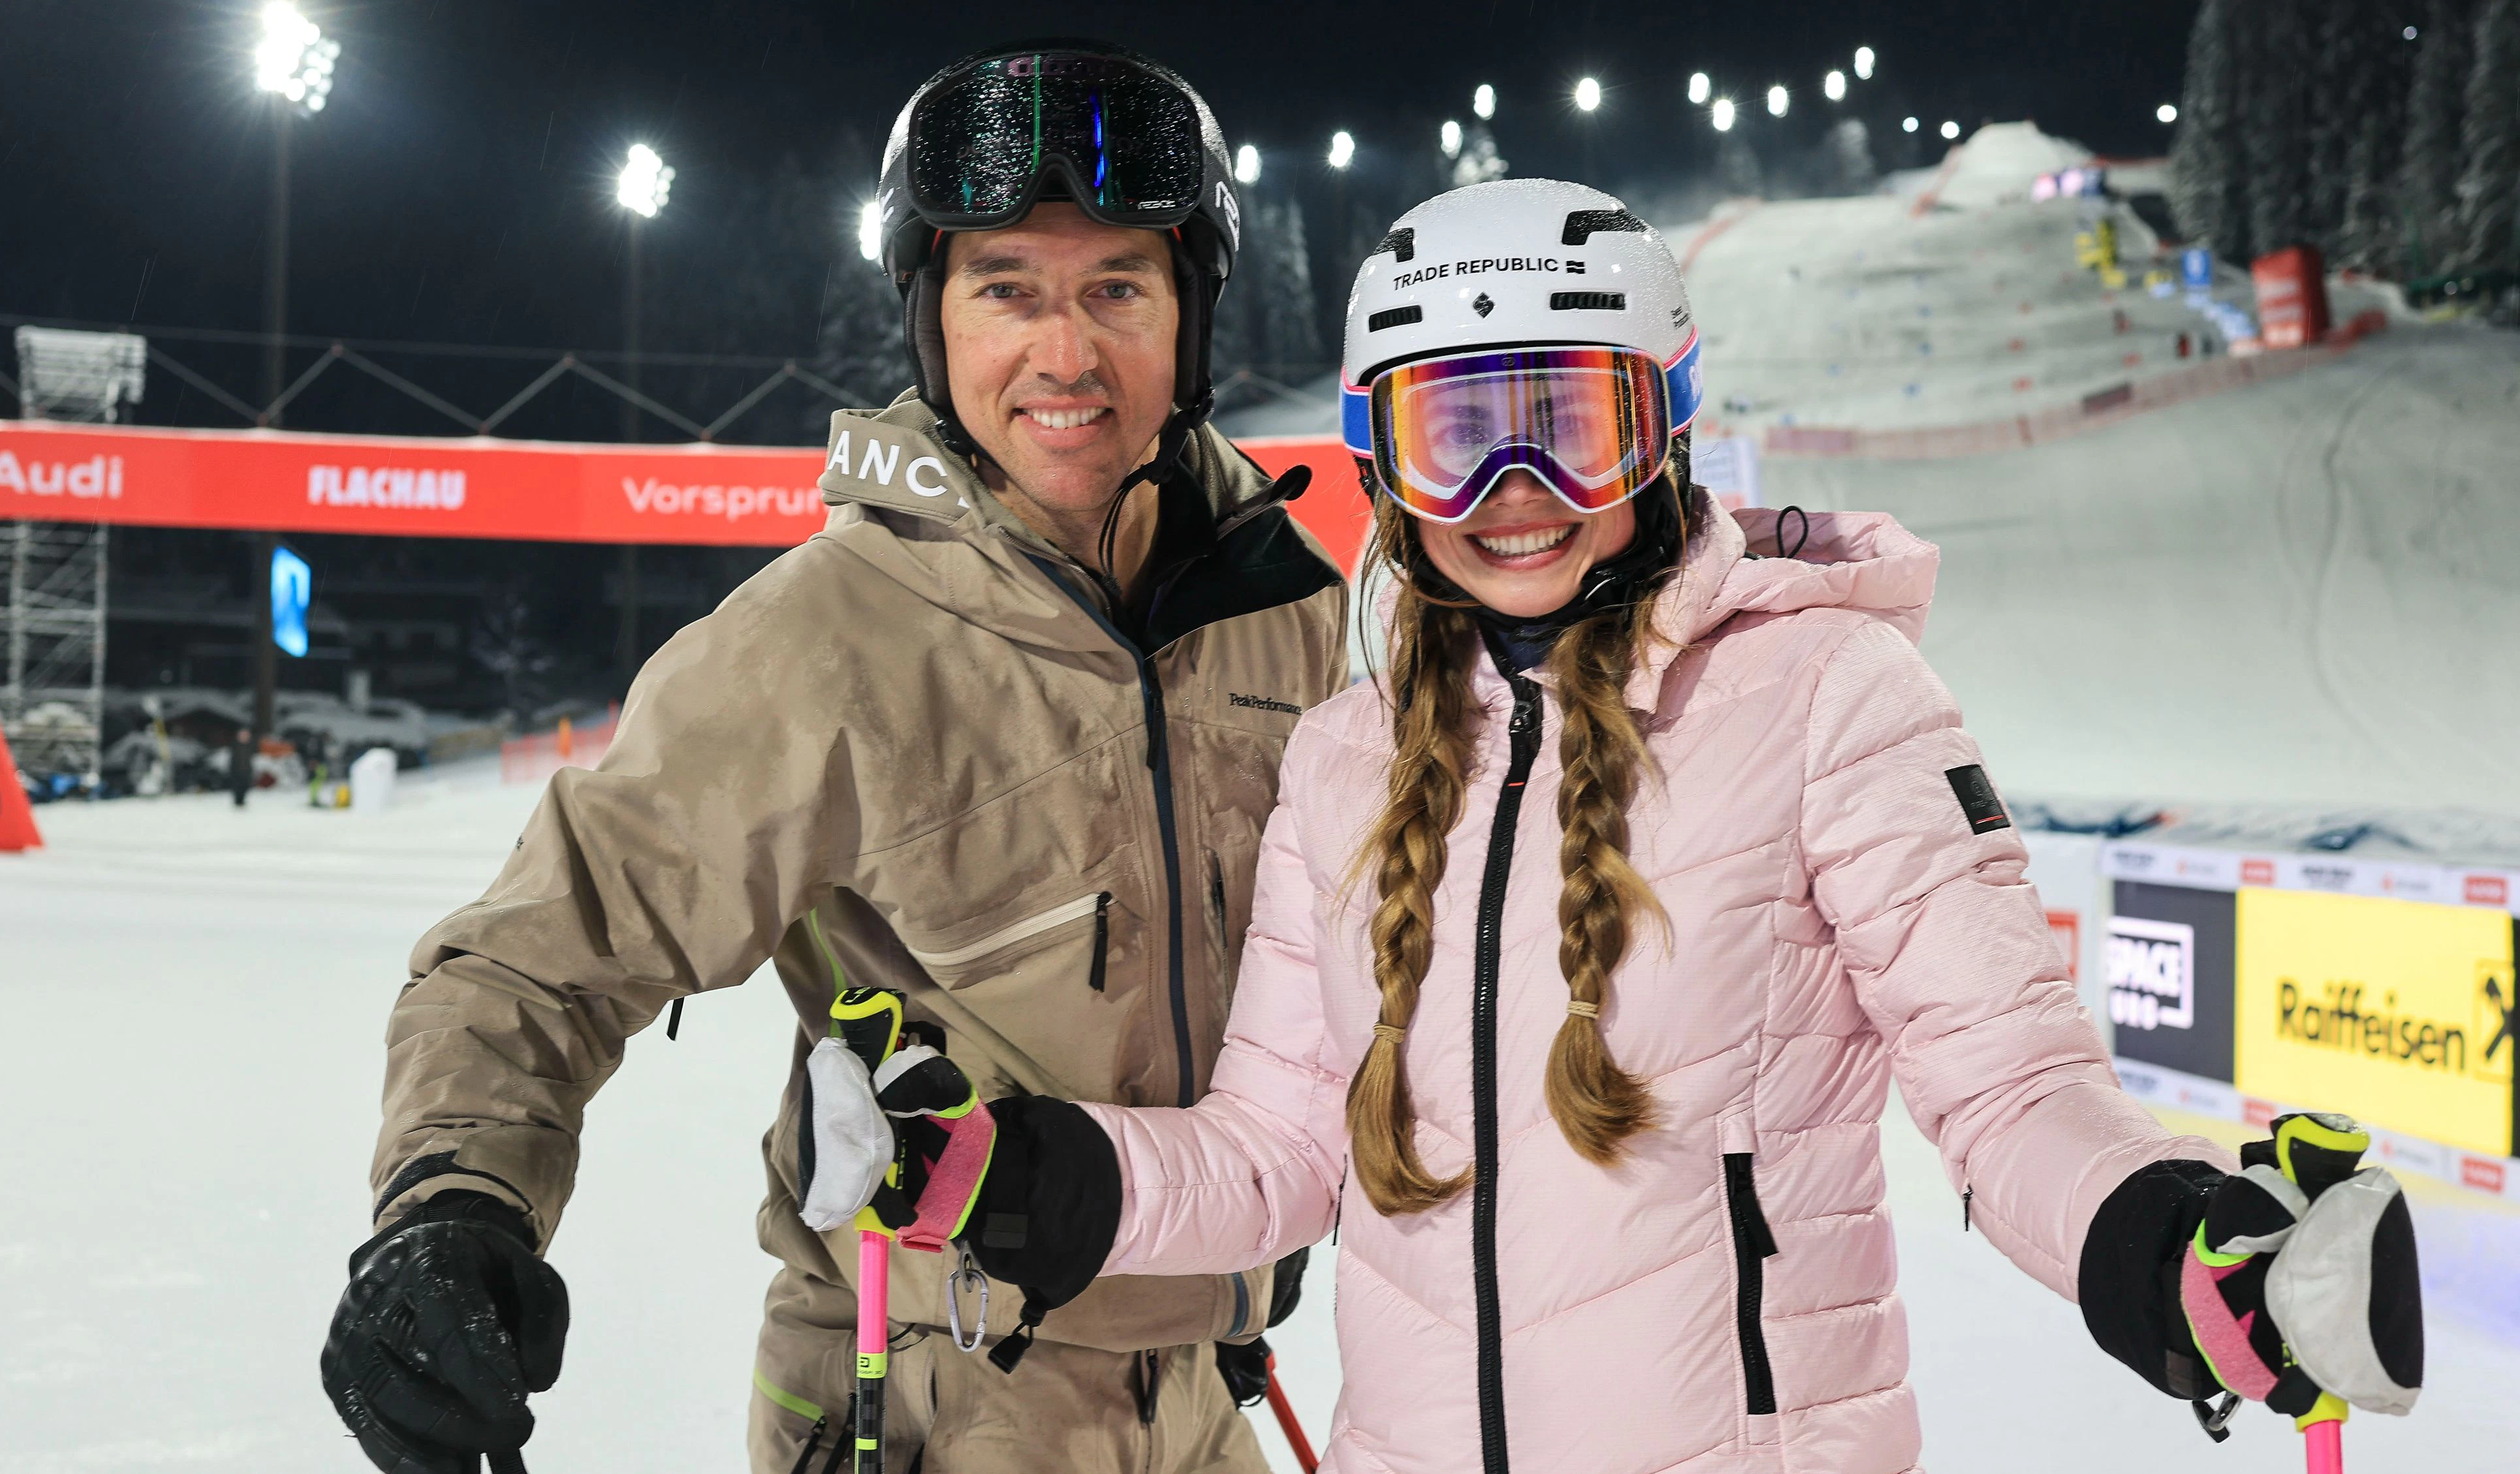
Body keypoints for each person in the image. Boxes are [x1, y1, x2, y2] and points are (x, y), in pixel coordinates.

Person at [804, 181, 2426, 1473]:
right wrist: (999, 1172)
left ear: (1658, 429)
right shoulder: (1342, 760)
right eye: (1457, 432)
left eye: (1563, 421)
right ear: (1385, 465)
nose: (1513, 484)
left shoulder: (1827, 698)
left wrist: (2172, 1248)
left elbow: (2005, 1085)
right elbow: (1280, 1151)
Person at [318, 40, 1345, 1474]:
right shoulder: (822, 643)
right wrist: (452, 1204)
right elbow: (543, 952)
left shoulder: (1279, 606)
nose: (1066, 355)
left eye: (1119, 286)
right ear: (932, 321)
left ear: (1192, 315)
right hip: (934, 1396)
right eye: (1006, 290)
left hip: (1205, 1382)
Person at [228, 726, 254, 808]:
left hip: (246, 770)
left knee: (245, 786)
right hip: (237, 770)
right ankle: (238, 801)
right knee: (237, 786)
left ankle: (242, 801)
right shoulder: (235, 746)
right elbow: (232, 760)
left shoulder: (249, 746)